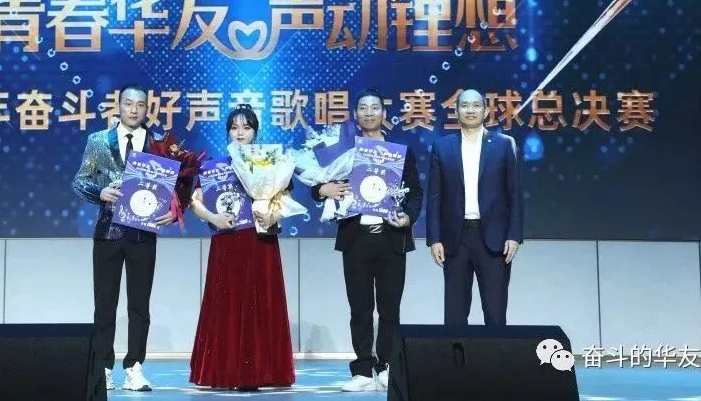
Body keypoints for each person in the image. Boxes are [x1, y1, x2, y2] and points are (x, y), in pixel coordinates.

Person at [312, 88, 423, 392]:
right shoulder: (343, 151)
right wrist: (323, 190)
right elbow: (316, 184)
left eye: (375, 108)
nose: (369, 113)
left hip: (392, 238)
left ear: (383, 113)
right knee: (359, 309)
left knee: (390, 309)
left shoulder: (399, 151)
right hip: (356, 239)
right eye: (363, 108)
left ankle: (386, 366)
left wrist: (408, 217)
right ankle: (362, 369)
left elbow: (415, 191)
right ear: (355, 114)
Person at [71, 84, 176, 391]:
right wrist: (99, 192)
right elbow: (80, 181)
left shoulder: (159, 143)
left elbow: (175, 187)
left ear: (147, 109)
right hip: (108, 232)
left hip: (143, 233)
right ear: (118, 106)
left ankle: (134, 367)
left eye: (140, 105)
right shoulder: (98, 141)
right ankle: (103, 368)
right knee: (104, 304)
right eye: (128, 103)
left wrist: (174, 210)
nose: (133, 109)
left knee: (140, 305)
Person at [188, 105, 295, 390]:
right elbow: (195, 201)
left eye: (246, 128)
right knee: (227, 304)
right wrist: (213, 218)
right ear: (227, 132)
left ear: (255, 132)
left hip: (260, 242)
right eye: (235, 128)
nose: (240, 133)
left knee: (260, 302)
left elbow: (284, 199)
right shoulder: (214, 165)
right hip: (227, 242)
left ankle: (260, 372)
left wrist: (273, 216)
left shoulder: (268, 161)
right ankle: (225, 371)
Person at [426, 88, 524, 326]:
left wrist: (514, 236)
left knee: (495, 313)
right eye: (465, 105)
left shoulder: (504, 145)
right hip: (455, 238)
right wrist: (434, 239)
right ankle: (456, 353)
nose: (470, 110)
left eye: (476, 105)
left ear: (486, 111)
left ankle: (496, 353)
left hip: (494, 239)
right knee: (455, 315)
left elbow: (515, 194)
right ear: (456, 110)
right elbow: (435, 197)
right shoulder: (442, 146)